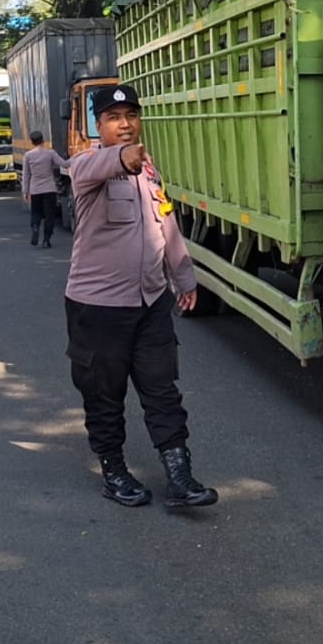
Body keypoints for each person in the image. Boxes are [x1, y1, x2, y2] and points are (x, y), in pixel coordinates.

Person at [64, 83, 216, 508]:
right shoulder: (86, 166)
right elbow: (97, 165)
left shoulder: (150, 172)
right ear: (98, 125)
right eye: (114, 118)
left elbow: (166, 225)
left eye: (131, 115)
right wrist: (122, 158)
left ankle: (180, 475)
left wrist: (184, 278)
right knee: (104, 394)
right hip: (98, 307)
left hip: (151, 302)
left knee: (162, 390)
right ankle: (114, 471)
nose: (125, 124)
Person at [21, 129, 69, 248]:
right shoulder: (50, 153)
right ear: (43, 140)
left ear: (32, 142)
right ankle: (46, 239)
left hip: (35, 190)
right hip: (49, 189)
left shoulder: (28, 155)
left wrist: (25, 191)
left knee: (36, 213)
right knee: (49, 215)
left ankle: (35, 228)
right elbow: (64, 164)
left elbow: (26, 175)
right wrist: (78, 157)